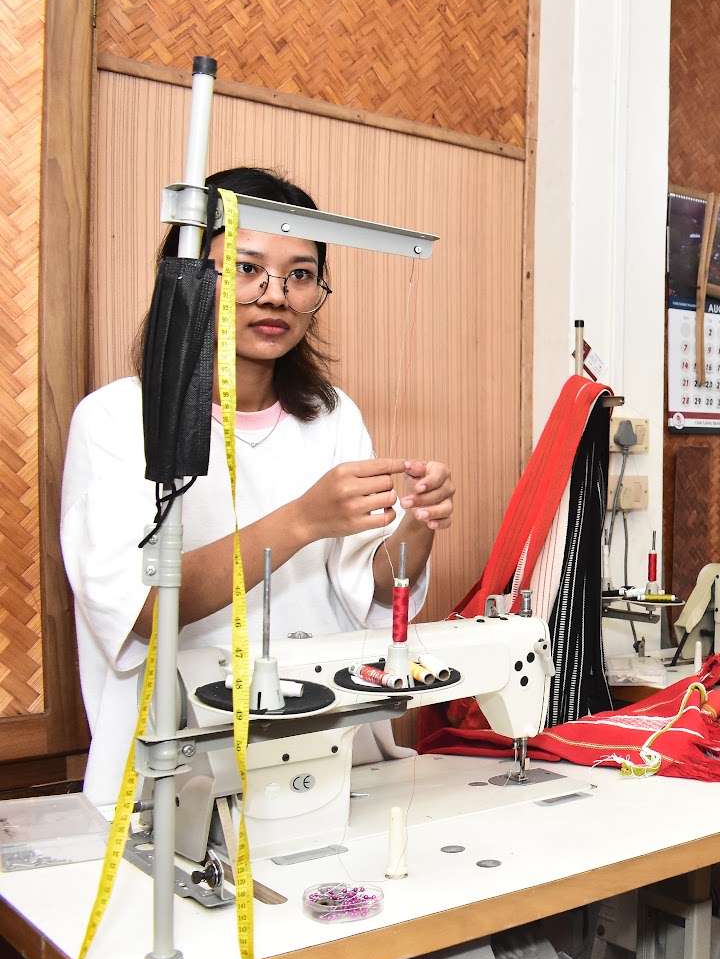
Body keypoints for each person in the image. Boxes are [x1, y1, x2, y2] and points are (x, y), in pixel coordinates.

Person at [62, 166, 454, 805]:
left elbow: (376, 586)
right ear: (189, 279)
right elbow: (138, 612)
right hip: (187, 772)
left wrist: (418, 522)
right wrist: (303, 520)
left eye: (300, 274)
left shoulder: (331, 414)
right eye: (247, 268)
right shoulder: (117, 420)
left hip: (332, 751)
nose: (276, 295)